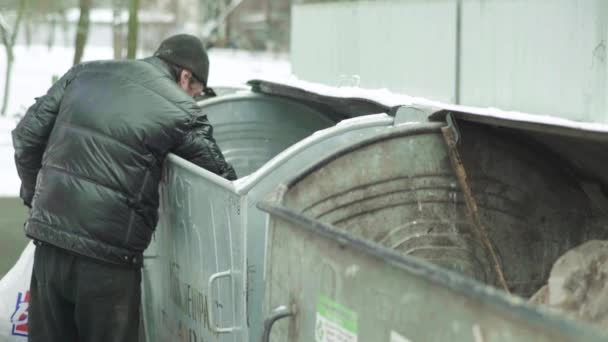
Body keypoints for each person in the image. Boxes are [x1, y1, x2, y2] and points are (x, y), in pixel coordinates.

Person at [12, 34, 236, 342]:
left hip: (49, 248)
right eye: (196, 92)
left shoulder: (83, 73)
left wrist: (34, 197)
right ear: (186, 77)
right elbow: (224, 181)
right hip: (108, 263)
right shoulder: (181, 109)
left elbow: (26, 137)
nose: (194, 99)